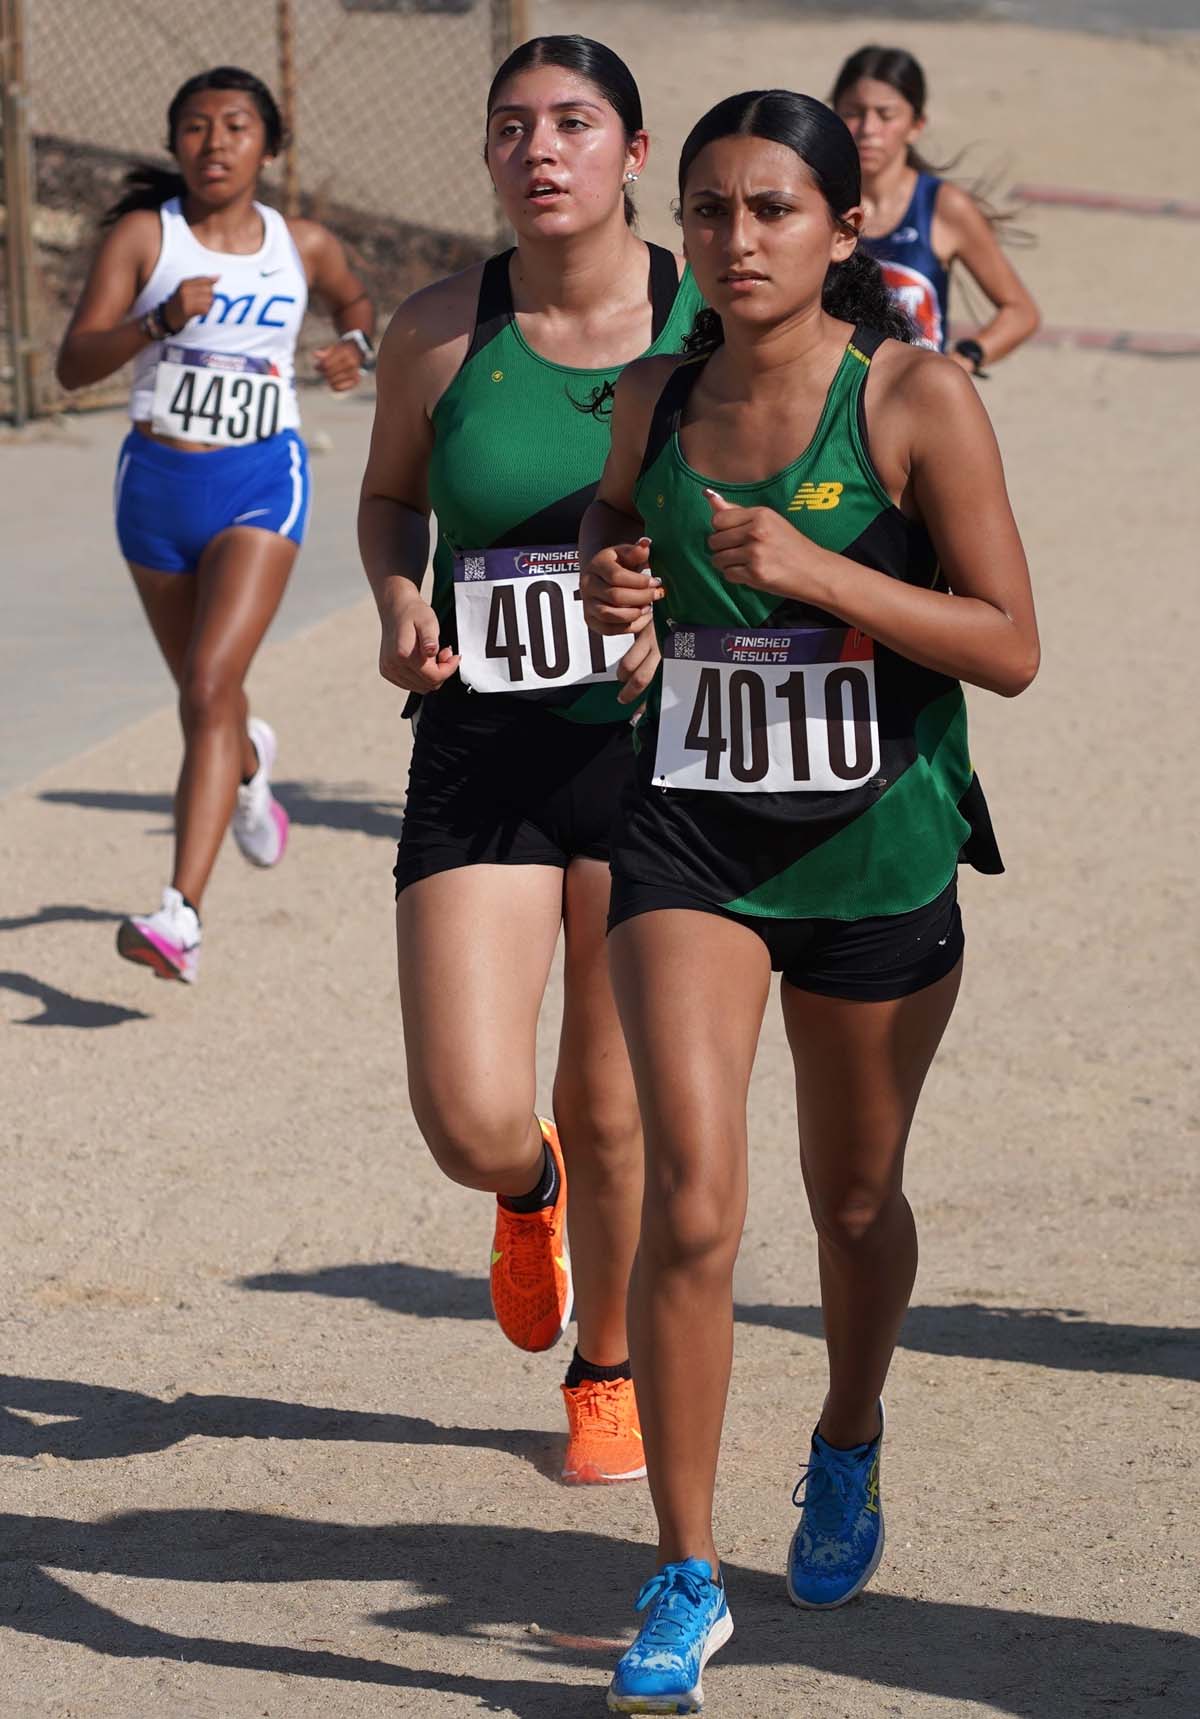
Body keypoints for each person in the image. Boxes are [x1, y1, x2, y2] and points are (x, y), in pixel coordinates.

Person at [580, 89, 1038, 1713]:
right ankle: (686, 1568)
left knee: (853, 1201)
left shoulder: (912, 397)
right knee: (694, 1194)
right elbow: (610, 533)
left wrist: (822, 571)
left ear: (847, 229)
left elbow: (1009, 641)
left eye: (774, 208)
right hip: (690, 839)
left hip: (877, 848)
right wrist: (612, 576)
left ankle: (846, 1438)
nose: (736, 237)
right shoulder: (654, 392)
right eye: (708, 209)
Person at [357, 36, 703, 1484]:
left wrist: (680, 620)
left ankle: (607, 1362)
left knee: (622, 1092)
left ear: (632, 152)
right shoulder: (439, 329)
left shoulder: (714, 325)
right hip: (486, 737)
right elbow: (388, 500)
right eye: (513, 127)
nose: (539, 150)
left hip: (658, 751)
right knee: (468, 1112)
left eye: (574, 124)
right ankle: (526, 1182)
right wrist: (397, 598)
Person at [56, 66, 374, 984]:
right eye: (195, 127)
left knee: (207, 681)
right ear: (173, 146)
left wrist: (352, 347)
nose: (215, 142)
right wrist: (155, 320)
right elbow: (75, 364)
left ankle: (179, 915)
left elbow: (357, 303)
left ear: (268, 147)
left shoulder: (299, 243)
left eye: (237, 125)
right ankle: (246, 764)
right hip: (153, 487)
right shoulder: (142, 238)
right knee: (208, 701)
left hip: (257, 481)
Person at [831, 45, 1039, 369]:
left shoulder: (943, 206)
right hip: (834, 401)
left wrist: (964, 359)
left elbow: (1020, 312)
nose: (868, 129)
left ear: (916, 125)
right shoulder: (819, 202)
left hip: (915, 406)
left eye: (886, 115)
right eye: (854, 113)